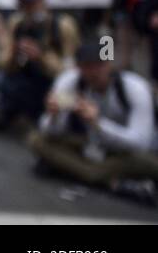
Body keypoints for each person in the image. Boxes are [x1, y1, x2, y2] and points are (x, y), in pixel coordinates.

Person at [28, 38, 158, 202]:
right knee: (36, 140)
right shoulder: (71, 81)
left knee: (141, 163)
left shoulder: (134, 88)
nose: (94, 72)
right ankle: (113, 181)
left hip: (128, 154)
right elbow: (51, 132)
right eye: (87, 66)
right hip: (92, 146)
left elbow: (141, 143)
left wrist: (98, 124)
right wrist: (53, 116)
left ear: (109, 65)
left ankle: (75, 171)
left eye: (99, 65)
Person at [0, 0, 80, 127]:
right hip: (26, 77)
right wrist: (14, 52)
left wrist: (41, 57)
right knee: (3, 83)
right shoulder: (17, 24)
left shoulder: (62, 25)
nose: (27, 9)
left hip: (53, 79)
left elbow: (71, 70)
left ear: (42, 1)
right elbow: (3, 63)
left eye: (31, 3)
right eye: (22, 4)